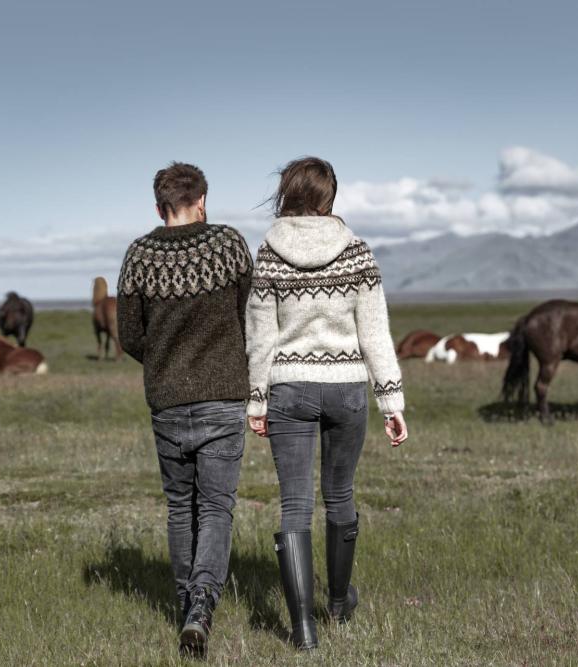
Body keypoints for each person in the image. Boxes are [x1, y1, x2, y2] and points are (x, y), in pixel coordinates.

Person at [245, 156, 408, 650]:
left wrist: (255, 400)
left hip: (289, 389)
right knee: (339, 496)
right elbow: (375, 333)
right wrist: (391, 400)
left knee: (295, 505)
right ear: (329, 196)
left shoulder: (270, 254)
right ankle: (337, 603)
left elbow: (260, 335)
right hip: (346, 389)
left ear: (288, 193)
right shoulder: (357, 251)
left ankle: (302, 630)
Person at [117, 162, 253, 658]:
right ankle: (202, 607)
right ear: (203, 201)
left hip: (168, 399)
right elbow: (248, 316)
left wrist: (164, 363)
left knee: (181, 508)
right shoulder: (230, 245)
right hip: (223, 397)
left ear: (159, 208)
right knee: (216, 506)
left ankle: (185, 605)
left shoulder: (139, 256)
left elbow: (130, 335)